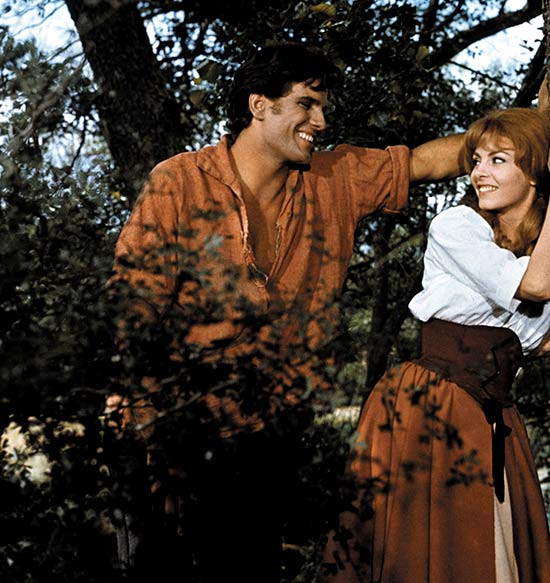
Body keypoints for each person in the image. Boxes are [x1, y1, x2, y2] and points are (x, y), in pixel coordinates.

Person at [110, 44, 465, 582]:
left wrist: (531, 126)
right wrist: (144, 430)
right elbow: (133, 308)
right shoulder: (180, 182)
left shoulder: (333, 179)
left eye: (322, 107)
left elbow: (426, 161)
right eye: (306, 104)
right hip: (168, 432)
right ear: (259, 105)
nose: (320, 121)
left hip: (261, 442)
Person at [322, 107, 550, 583]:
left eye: (498, 160)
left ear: (533, 172)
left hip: (492, 415)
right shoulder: (457, 227)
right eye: (476, 160)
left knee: (491, 556)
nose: (480, 172)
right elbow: (537, 286)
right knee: (434, 555)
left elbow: (540, 338)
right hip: (433, 404)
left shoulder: (543, 243)